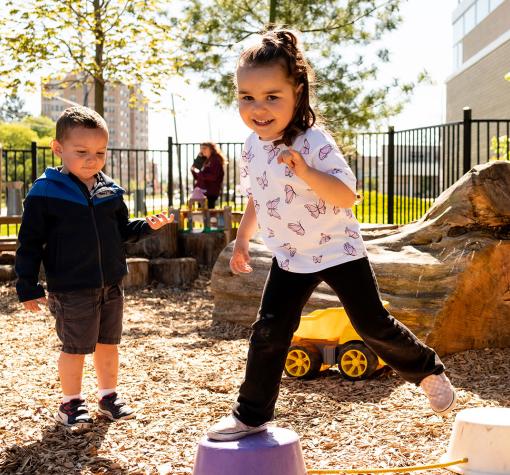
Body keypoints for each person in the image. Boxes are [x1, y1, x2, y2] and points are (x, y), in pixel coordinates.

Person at [207, 29, 457, 441]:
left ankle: (426, 371)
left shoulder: (312, 141)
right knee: (269, 332)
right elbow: (257, 196)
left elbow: (347, 194)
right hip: (289, 258)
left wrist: (305, 171)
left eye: (272, 96)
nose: (258, 108)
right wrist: (241, 240)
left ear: (297, 91)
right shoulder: (251, 147)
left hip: (338, 250)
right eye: (246, 97)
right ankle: (251, 415)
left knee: (372, 325)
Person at [15, 106, 173, 429]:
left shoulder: (110, 191)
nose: (92, 159)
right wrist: (27, 284)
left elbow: (123, 231)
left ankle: (108, 396)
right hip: (71, 287)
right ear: (58, 149)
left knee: (108, 343)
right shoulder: (44, 193)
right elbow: (29, 243)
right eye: (82, 151)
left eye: (100, 152)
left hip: (111, 284)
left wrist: (147, 227)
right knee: (75, 347)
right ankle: (70, 404)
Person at [190, 142, 225, 208]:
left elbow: (213, 177)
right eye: (201, 148)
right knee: (201, 213)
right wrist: (199, 158)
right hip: (202, 191)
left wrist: (200, 174)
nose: (202, 150)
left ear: (211, 149)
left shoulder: (215, 160)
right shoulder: (204, 160)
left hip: (210, 192)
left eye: (205, 148)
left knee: (209, 213)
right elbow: (196, 173)